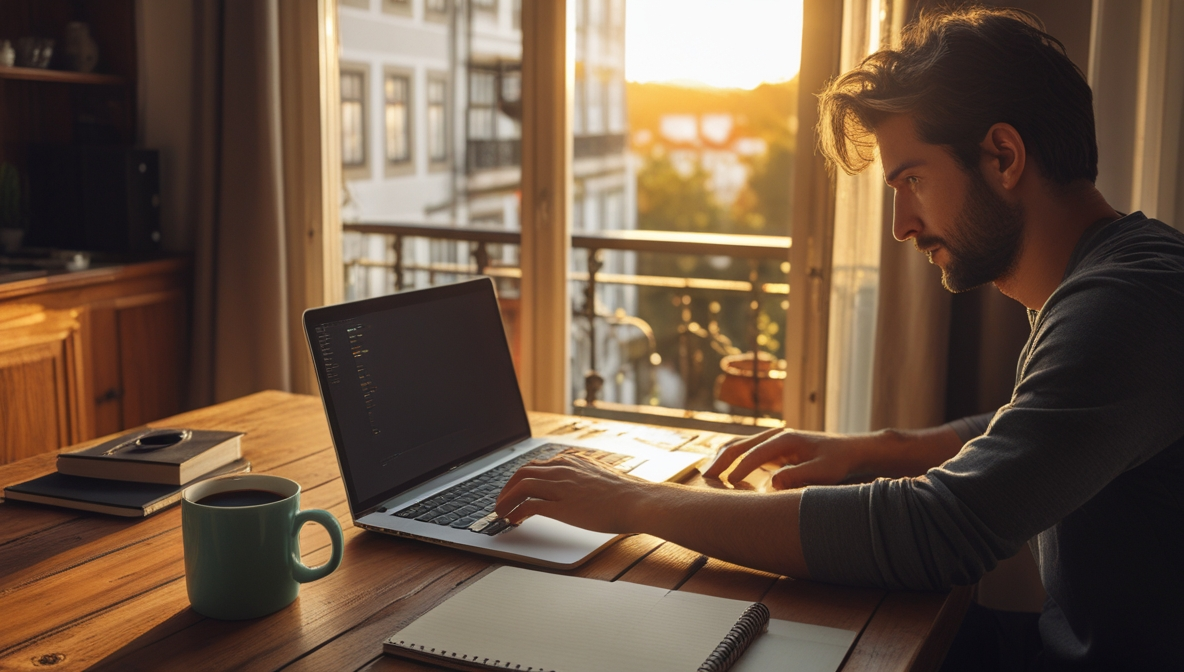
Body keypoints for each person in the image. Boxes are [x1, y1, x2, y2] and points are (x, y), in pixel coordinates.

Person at [495, 7, 1184, 671]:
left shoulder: (1126, 305)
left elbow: (941, 531)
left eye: (911, 180)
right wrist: (872, 449)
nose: (901, 226)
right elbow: (1038, 431)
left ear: (1003, 156)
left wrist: (634, 503)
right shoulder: (1118, 273)